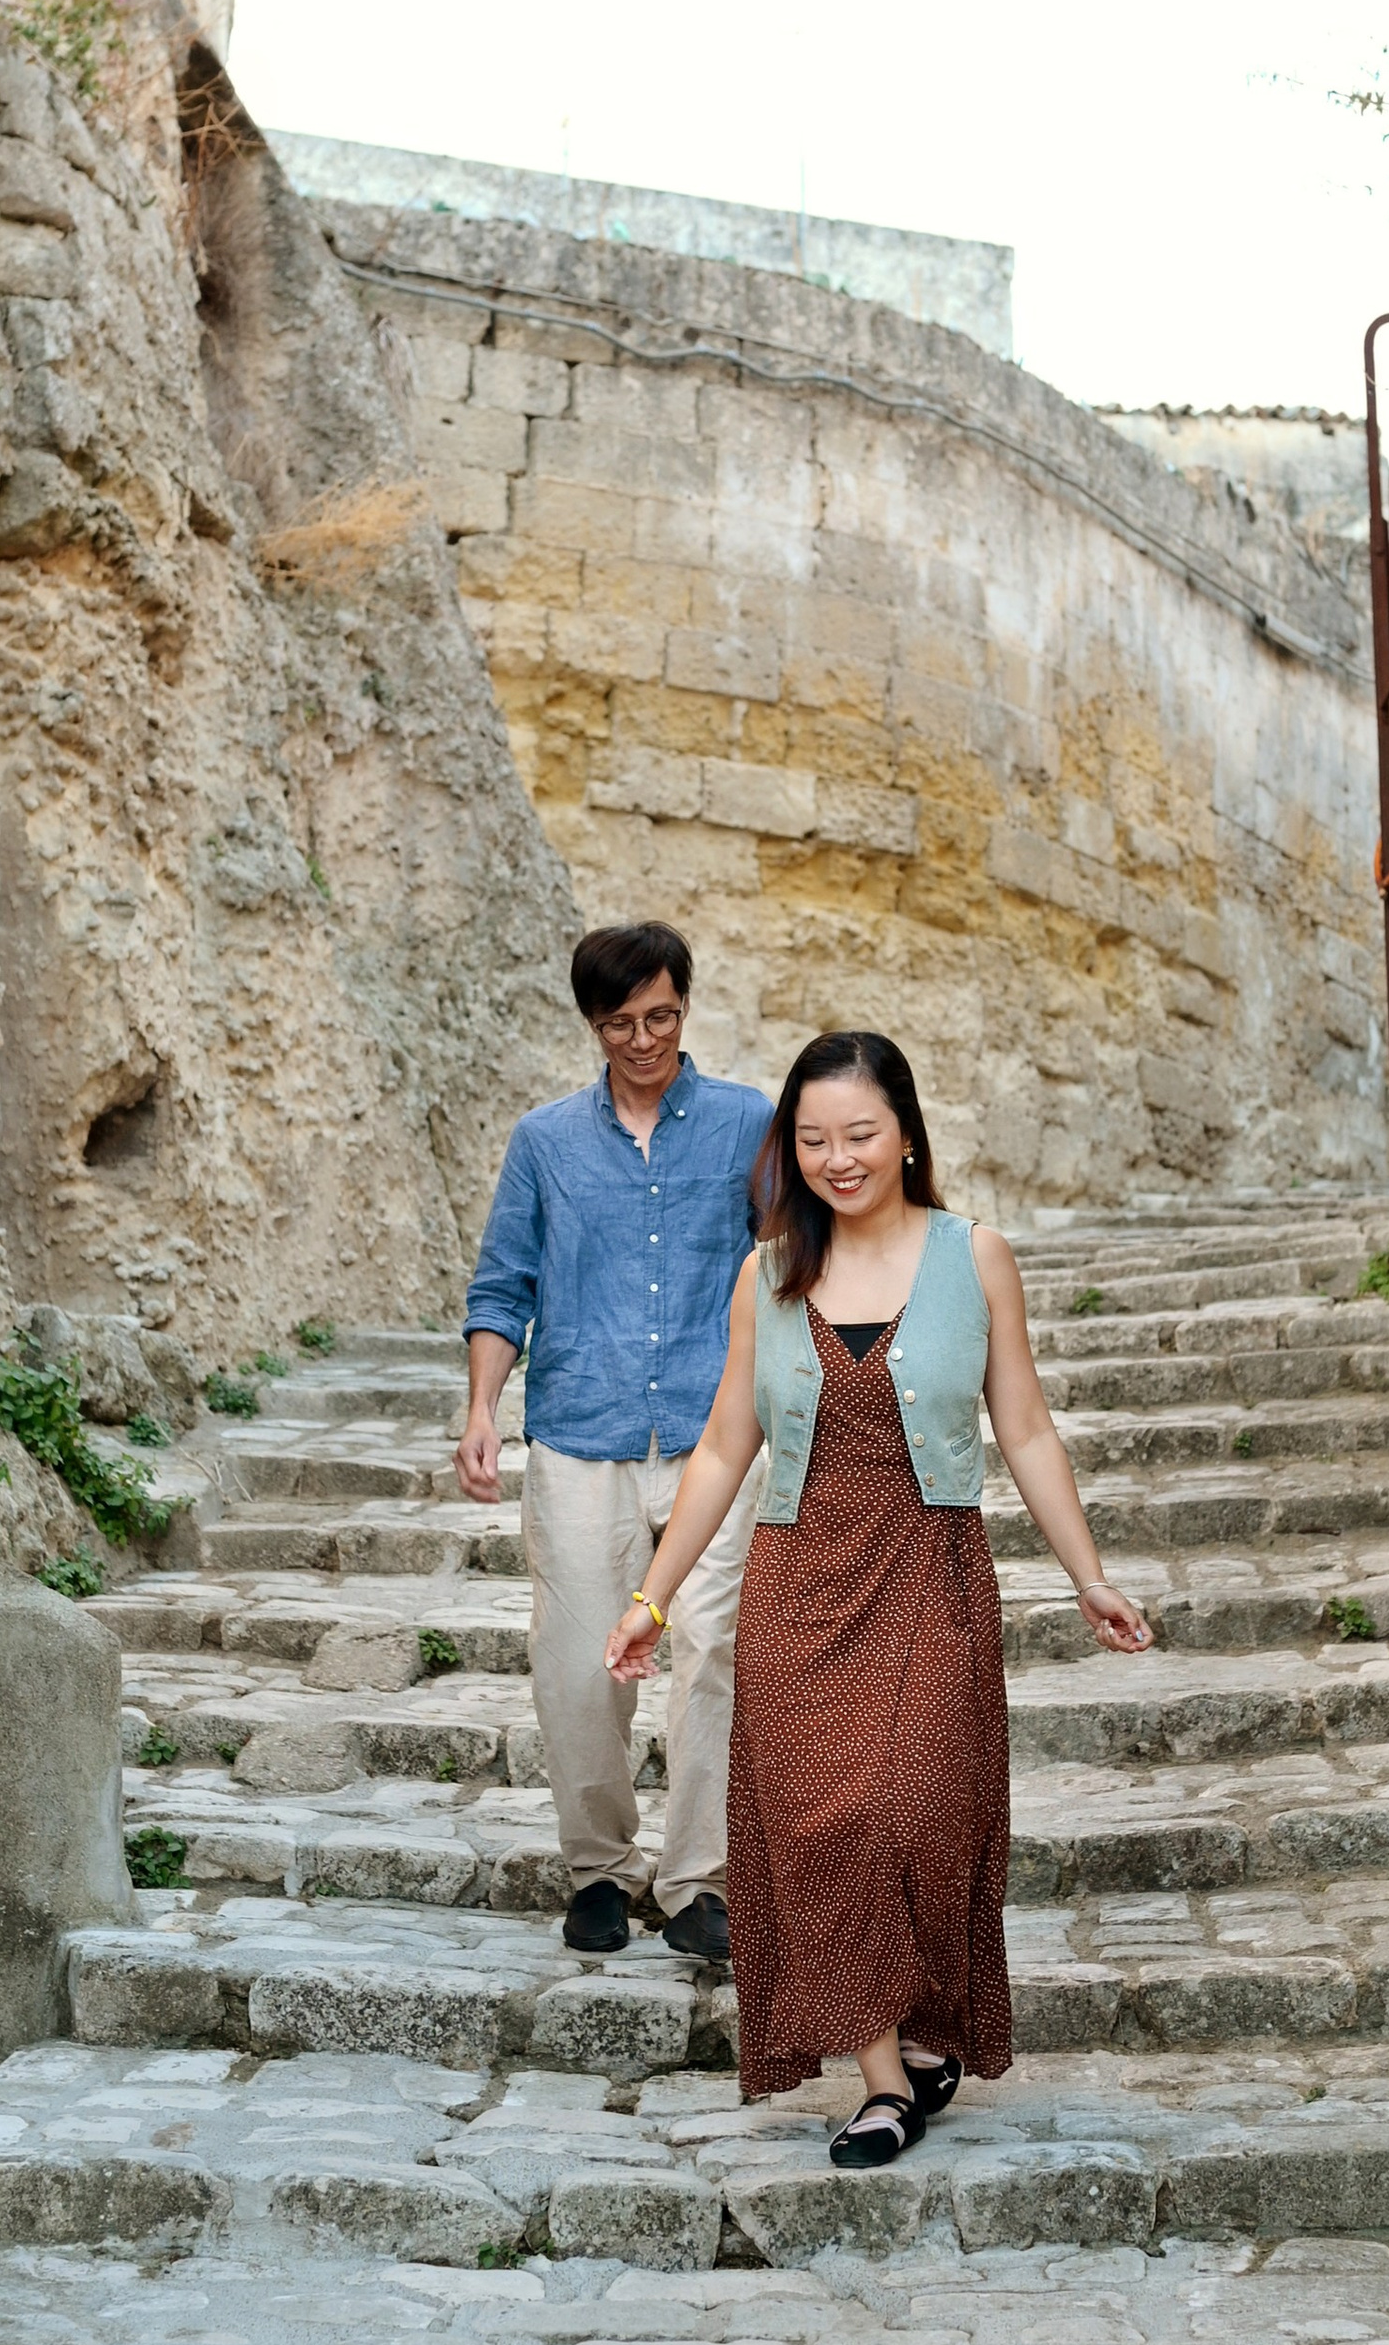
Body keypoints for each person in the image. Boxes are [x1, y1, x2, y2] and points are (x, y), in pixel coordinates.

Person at [603, 1029, 1152, 2165]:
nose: (836, 1158)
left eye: (858, 1134)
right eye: (811, 1139)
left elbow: (1028, 1427)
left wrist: (1087, 1575)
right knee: (824, 1828)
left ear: (906, 1131)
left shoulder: (974, 1255)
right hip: (800, 1586)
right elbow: (719, 1449)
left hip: (931, 1569)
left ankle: (920, 2028)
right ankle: (882, 2078)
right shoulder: (770, 1272)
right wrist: (651, 1600)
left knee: (912, 1809)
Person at [459, 924, 773, 1961]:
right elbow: (503, 1283)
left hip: (714, 1433)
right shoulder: (545, 1141)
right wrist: (479, 1410)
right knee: (577, 1664)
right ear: (592, 1024)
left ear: (686, 1004)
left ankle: (698, 1884)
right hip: (579, 1432)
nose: (645, 1039)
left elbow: (795, 1261)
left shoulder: (745, 1124)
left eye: (663, 1016)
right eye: (621, 1023)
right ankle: (598, 1868)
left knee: (715, 1653)